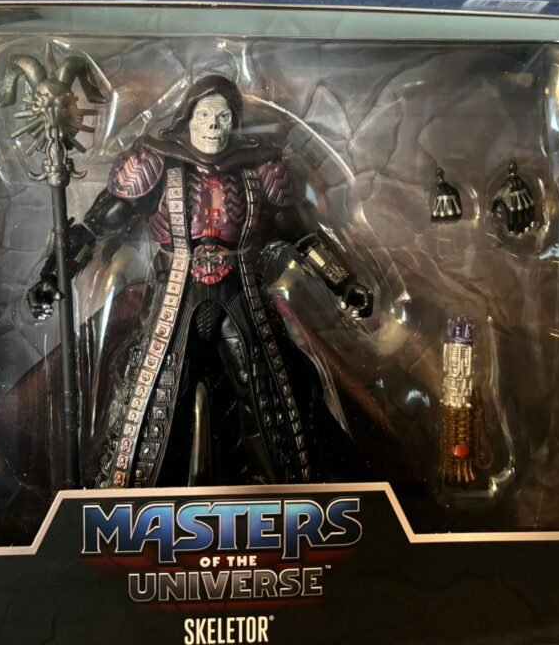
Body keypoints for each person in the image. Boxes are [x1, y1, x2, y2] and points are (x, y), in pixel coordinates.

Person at [27, 75, 373, 488]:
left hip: (241, 294)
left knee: (273, 397)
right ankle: (129, 497)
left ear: (234, 122)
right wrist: (54, 274)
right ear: (187, 117)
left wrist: (342, 282)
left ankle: (294, 491)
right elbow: (96, 226)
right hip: (175, 295)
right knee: (153, 399)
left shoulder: (260, 168)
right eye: (205, 114)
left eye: (223, 116)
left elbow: (300, 234)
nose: (213, 125)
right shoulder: (155, 165)